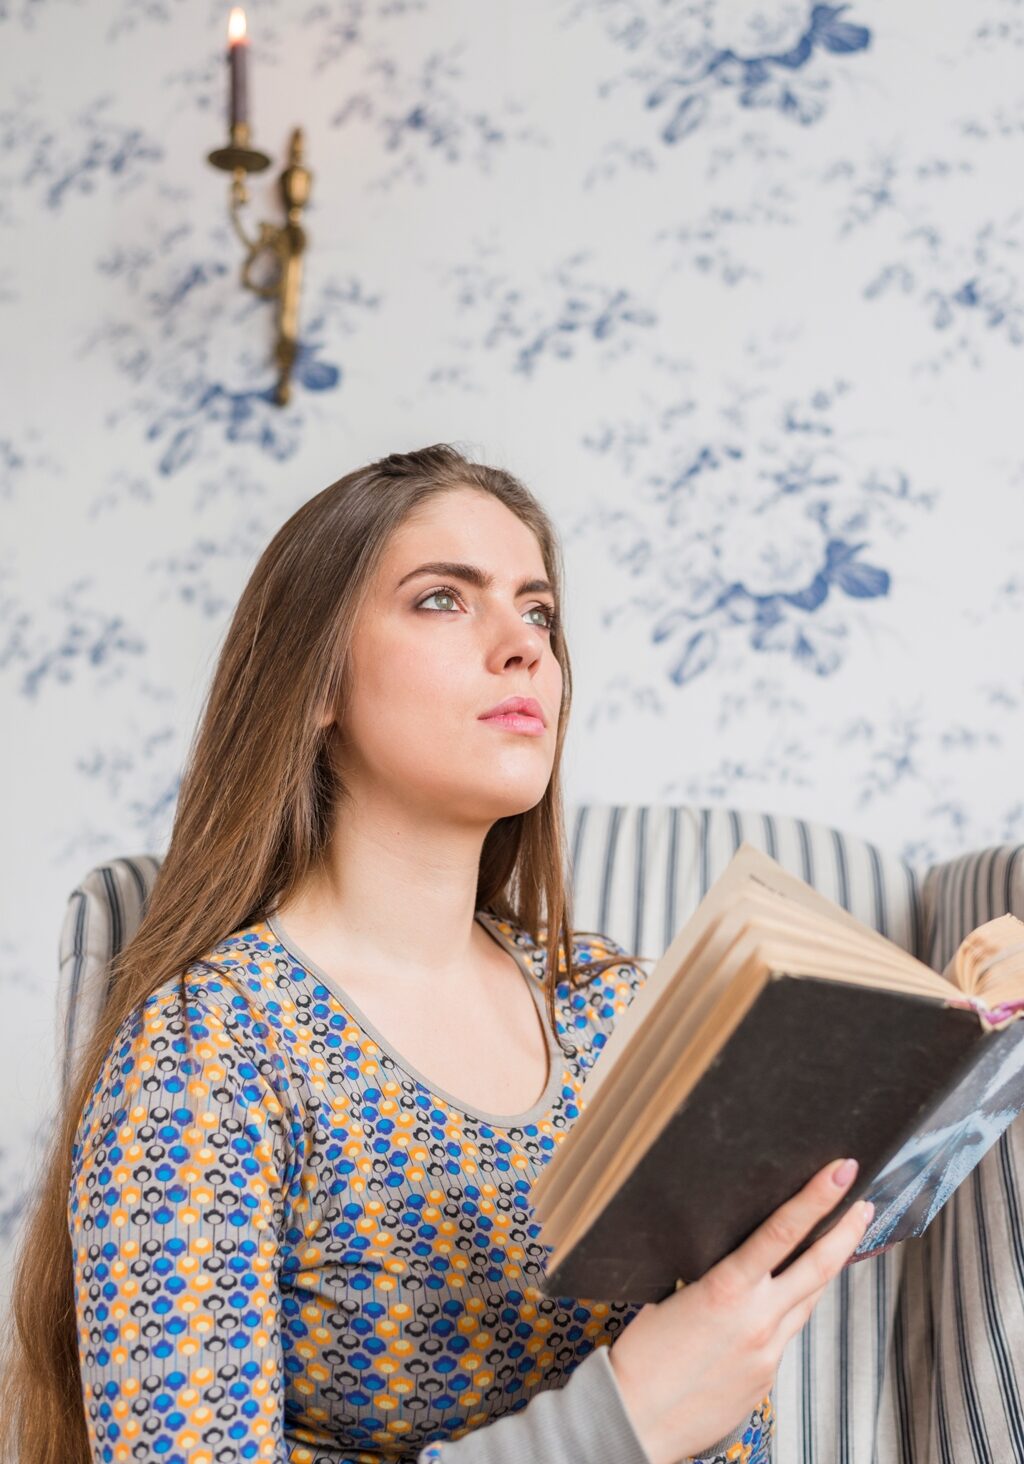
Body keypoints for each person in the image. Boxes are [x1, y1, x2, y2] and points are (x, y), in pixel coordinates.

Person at [1, 444, 872, 1464]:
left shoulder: (621, 1012)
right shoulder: (211, 1047)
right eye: (442, 601)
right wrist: (617, 1420)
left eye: (537, 610)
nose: (524, 649)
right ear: (315, 678)